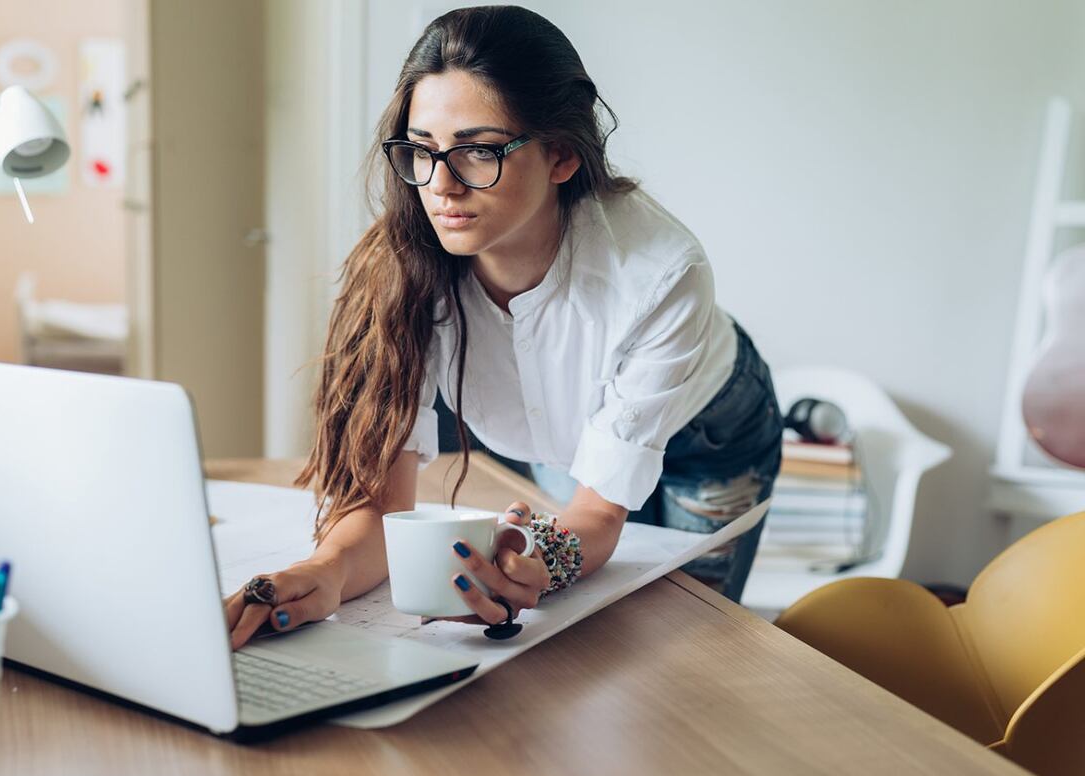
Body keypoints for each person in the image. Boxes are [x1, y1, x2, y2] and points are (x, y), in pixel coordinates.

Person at [227, 5, 782, 650]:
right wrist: (321, 572)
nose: (442, 186)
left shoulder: (659, 272)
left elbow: (598, 512)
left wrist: (546, 555)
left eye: (478, 151)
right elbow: (380, 507)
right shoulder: (399, 272)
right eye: (422, 151)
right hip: (572, 432)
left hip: (707, 432)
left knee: (687, 640)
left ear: (562, 156)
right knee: (579, 634)